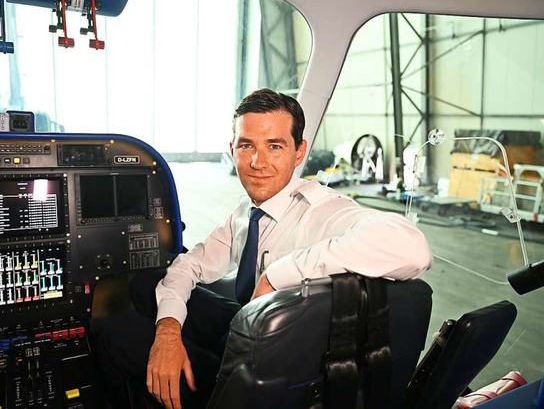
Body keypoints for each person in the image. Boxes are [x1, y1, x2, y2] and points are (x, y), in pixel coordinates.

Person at [91, 88, 433, 409]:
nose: (257, 162)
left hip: (274, 372)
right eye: (246, 146)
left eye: (275, 146)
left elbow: (411, 248)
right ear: (232, 149)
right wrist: (167, 333)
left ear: (300, 151)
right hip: (251, 332)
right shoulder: (247, 213)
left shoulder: (322, 211)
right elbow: (190, 265)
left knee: (114, 332)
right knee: (146, 282)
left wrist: (278, 273)